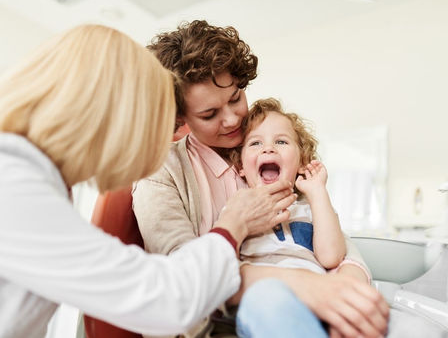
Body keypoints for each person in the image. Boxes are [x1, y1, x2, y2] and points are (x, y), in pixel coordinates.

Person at [0, 24, 295, 338]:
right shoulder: (12, 186)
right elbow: (167, 301)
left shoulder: (34, 181)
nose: (143, 143)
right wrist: (235, 223)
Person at [133, 20, 389, 338]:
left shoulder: (267, 146)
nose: (232, 120)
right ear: (180, 117)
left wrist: (347, 286)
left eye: (236, 97)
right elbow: (183, 276)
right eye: (209, 115)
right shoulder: (161, 175)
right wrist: (304, 285)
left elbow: (318, 233)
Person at [234, 97, 346, 274]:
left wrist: (317, 192)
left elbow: (331, 257)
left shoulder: (314, 210)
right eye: (256, 143)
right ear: (241, 166)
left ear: (302, 162)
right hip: (259, 290)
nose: (268, 148)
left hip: (311, 291)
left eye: (281, 142)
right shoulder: (236, 209)